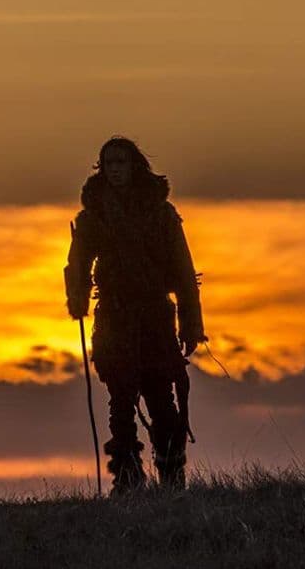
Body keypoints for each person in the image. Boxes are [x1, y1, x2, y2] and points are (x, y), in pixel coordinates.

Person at [64, 136, 205, 493]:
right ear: (102, 168)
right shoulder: (93, 215)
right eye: (109, 164)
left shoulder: (161, 213)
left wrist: (191, 325)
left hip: (156, 316)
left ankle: (172, 479)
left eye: (121, 163)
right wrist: (77, 297)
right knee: (121, 402)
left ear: (134, 166)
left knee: (161, 400)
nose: (115, 170)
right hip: (113, 317)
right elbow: (77, 264)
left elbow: (184, 271)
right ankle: (127, 481)